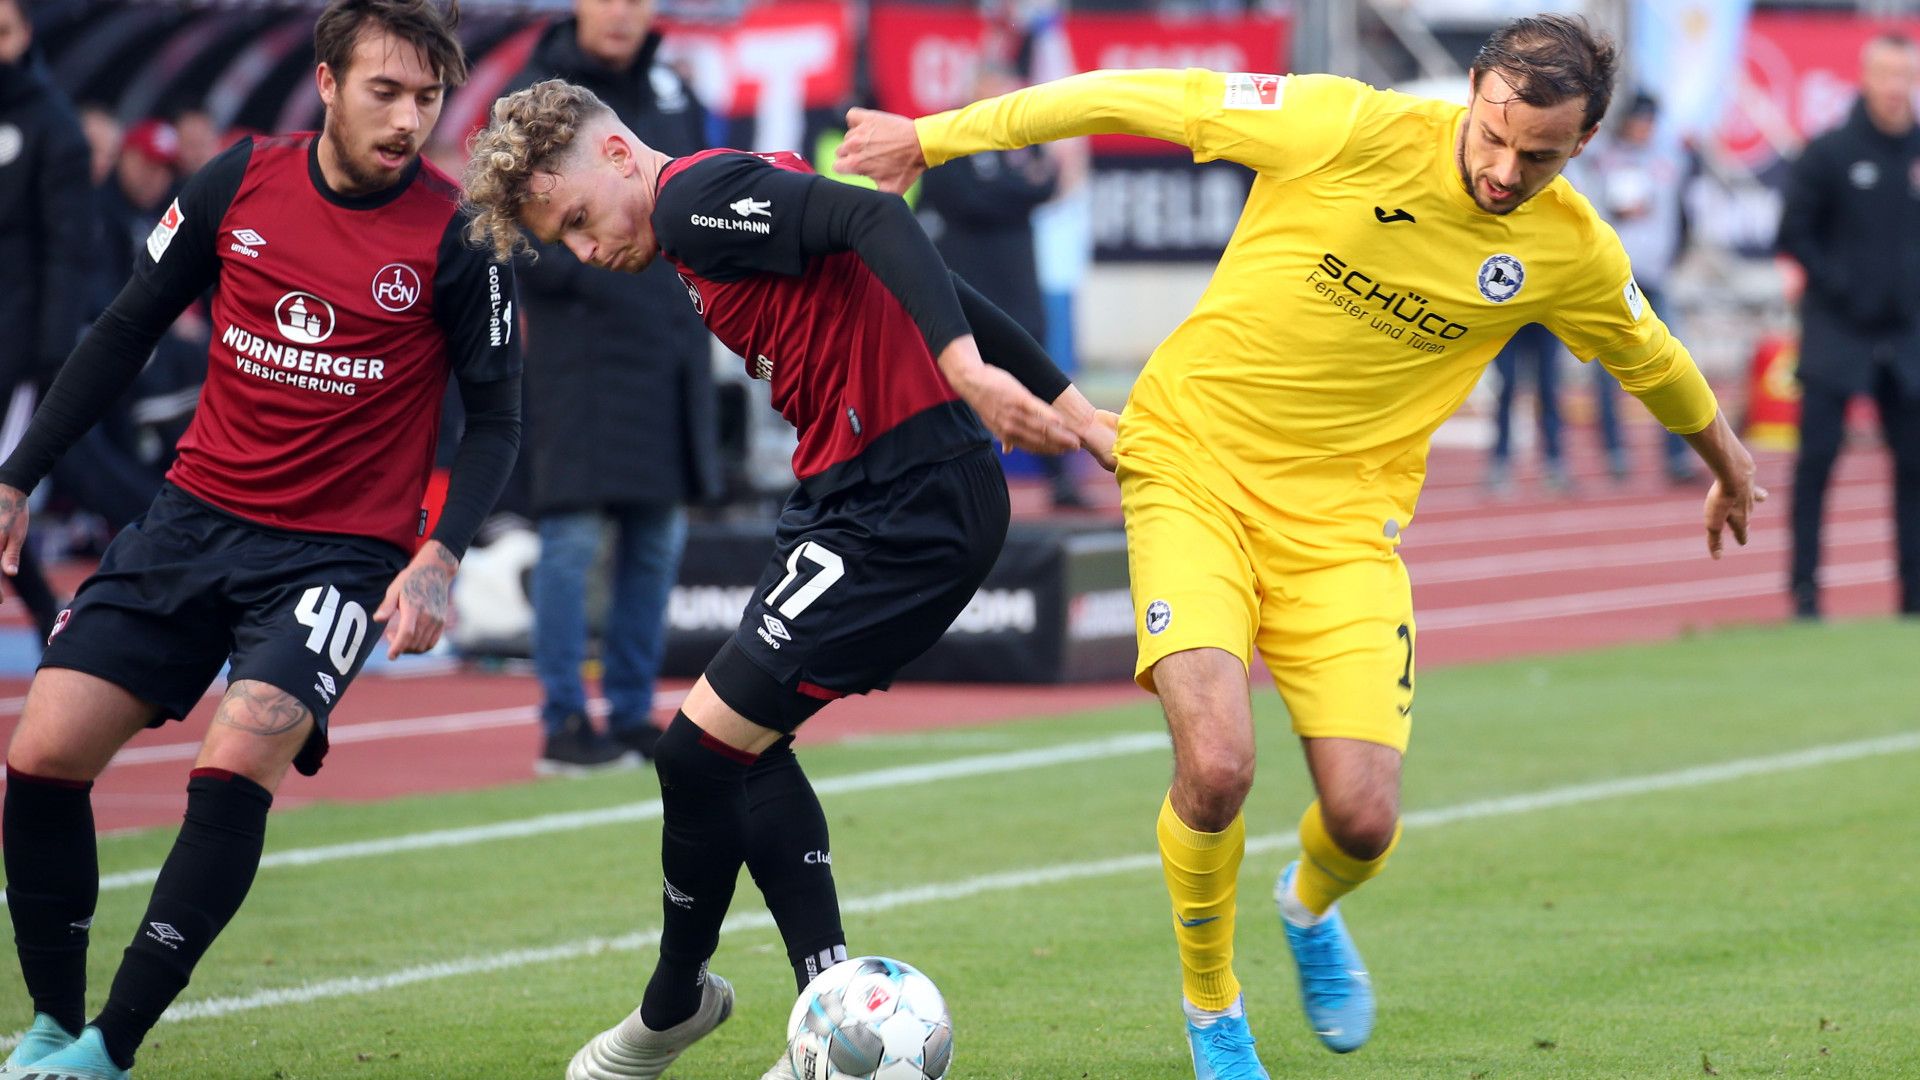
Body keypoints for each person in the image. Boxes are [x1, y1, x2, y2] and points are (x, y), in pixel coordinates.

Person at [838, 14, 1764, 1077]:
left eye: (1540, 155)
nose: (1506, 170)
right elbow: (1119, 98)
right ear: (1471, 91)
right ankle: (1213, 1009)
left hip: (1342, 529)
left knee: (1365, 820)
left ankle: (1308, 907)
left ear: (1584, 145)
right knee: (1220, 763)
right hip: (1194, 469)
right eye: (1495, 134)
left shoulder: (1570, 252)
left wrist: (1726, 459)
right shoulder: (1344, 126)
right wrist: (934, 136)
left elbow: (1652, 355)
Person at [460, 78, 1113, 1080]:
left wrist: (972, 372)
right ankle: (831, 1003)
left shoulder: (686, 198)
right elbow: (913, 265)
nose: (588, 252)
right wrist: (1071, 402)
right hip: (853, 498)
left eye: (581, 220)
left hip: (904, 498)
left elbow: (875, 213)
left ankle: (675, 1005)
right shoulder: (694, 224)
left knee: (693, 755)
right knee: (740, 749)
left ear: (620, 156)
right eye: (568, 243)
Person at [0, 1, 521, 1077]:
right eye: (386, 92)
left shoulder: (459, 233)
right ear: (326, 84)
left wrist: (439, 552)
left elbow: (500, 419)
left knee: (234, 763)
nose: (408, 119)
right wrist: (17, 478)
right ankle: (51, 1024)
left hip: (334, 559)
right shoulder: (238, 180)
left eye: (427, 98)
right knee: (43, 754)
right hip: (190, 523)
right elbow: (126, 329)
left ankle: (112, 1044)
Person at [505, 0, 721, 774]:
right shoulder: (538, 95)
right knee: (572, 538)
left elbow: (703, 193)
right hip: (582, 356)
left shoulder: (673, 88)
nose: (625, 13)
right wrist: (591, 263)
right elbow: (507, 228)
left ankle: (630, 713)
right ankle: (564, 721)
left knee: (657, 538)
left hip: (669, 347)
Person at [1776, 31, 1920, 620]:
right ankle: (1805, 595)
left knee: (1914, 467)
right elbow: (1793, 234)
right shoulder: (1829, 152)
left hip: (1909, 335)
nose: (1894, 88)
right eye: (1884, 74)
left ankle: (1913, 598)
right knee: (1818, 461)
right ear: (1864, 78)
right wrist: (1842, 284)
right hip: (1838, 332)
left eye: (1905, 76)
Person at [919, 62, 1085, 509]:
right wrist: (1019, 191)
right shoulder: (946, 136)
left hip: (1019, 288)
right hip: (969, 289)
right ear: (976, 88)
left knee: (1040, 377)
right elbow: (967, 198)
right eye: (998, 91)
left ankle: (1062, 478)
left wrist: (1017, 189)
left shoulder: (1017, 140)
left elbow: (1045, 183)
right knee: (956, 386)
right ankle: (944, 487)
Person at [0, 0, 92, 644]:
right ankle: (44, 609)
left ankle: (49, 611)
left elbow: (68, 249)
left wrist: (51, 353)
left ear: (26, 34)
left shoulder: (53, 125)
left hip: (15, 346)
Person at [1573, 89, 1696, 486]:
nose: (1644, 128)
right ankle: (1614, 451)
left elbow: (1684, 212)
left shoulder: (1668, 160)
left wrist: (1676, 255)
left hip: (1655, 277)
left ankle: (1677, 454)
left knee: (1669, 366)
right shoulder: (1600, 157)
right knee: (1608, 372)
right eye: (1639, 120)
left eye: (1650, 121)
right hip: (1613, 279)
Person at [1484, 321, 1572, 494]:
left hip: (1544, 319)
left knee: (1548, 388)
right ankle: (1500, 461)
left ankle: (1554, 461)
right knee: (1506, 386)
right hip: (1509, 316)